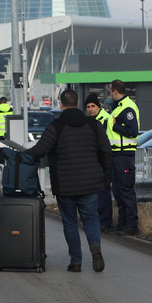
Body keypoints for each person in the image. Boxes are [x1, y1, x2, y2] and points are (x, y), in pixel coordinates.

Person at [25, 89, 111, 272]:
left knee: (70, 222)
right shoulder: (93, 125)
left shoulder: (56, 127)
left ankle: (76, 261)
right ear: (78, 104)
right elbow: (106, 152)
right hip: (90, 183)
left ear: (61, 105)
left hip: (65, 185)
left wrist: (21, 155)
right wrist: (104, 177)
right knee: (91, 219)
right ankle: (95, 245)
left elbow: (40, 150)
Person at [104, 79, 140, 236]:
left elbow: (133, 131)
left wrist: (115, 125)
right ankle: (122, 222)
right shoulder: (118, 108)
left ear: (115, 91)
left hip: (124, 154)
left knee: (126, 190)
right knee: (118, 190)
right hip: (116, 154)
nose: (109, 95)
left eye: (110, 91)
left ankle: (132, 225)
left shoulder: (128, 107)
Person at [85, 93, 113, 233]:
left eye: (92, 106)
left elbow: (106, 143)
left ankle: (106, 221)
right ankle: (98, 220)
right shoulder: (88, 121)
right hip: (93, 161)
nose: (90, 109)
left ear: (98, 106)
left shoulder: (106, 119)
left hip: (103, 160)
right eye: (88, 107)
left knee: (103, 192)